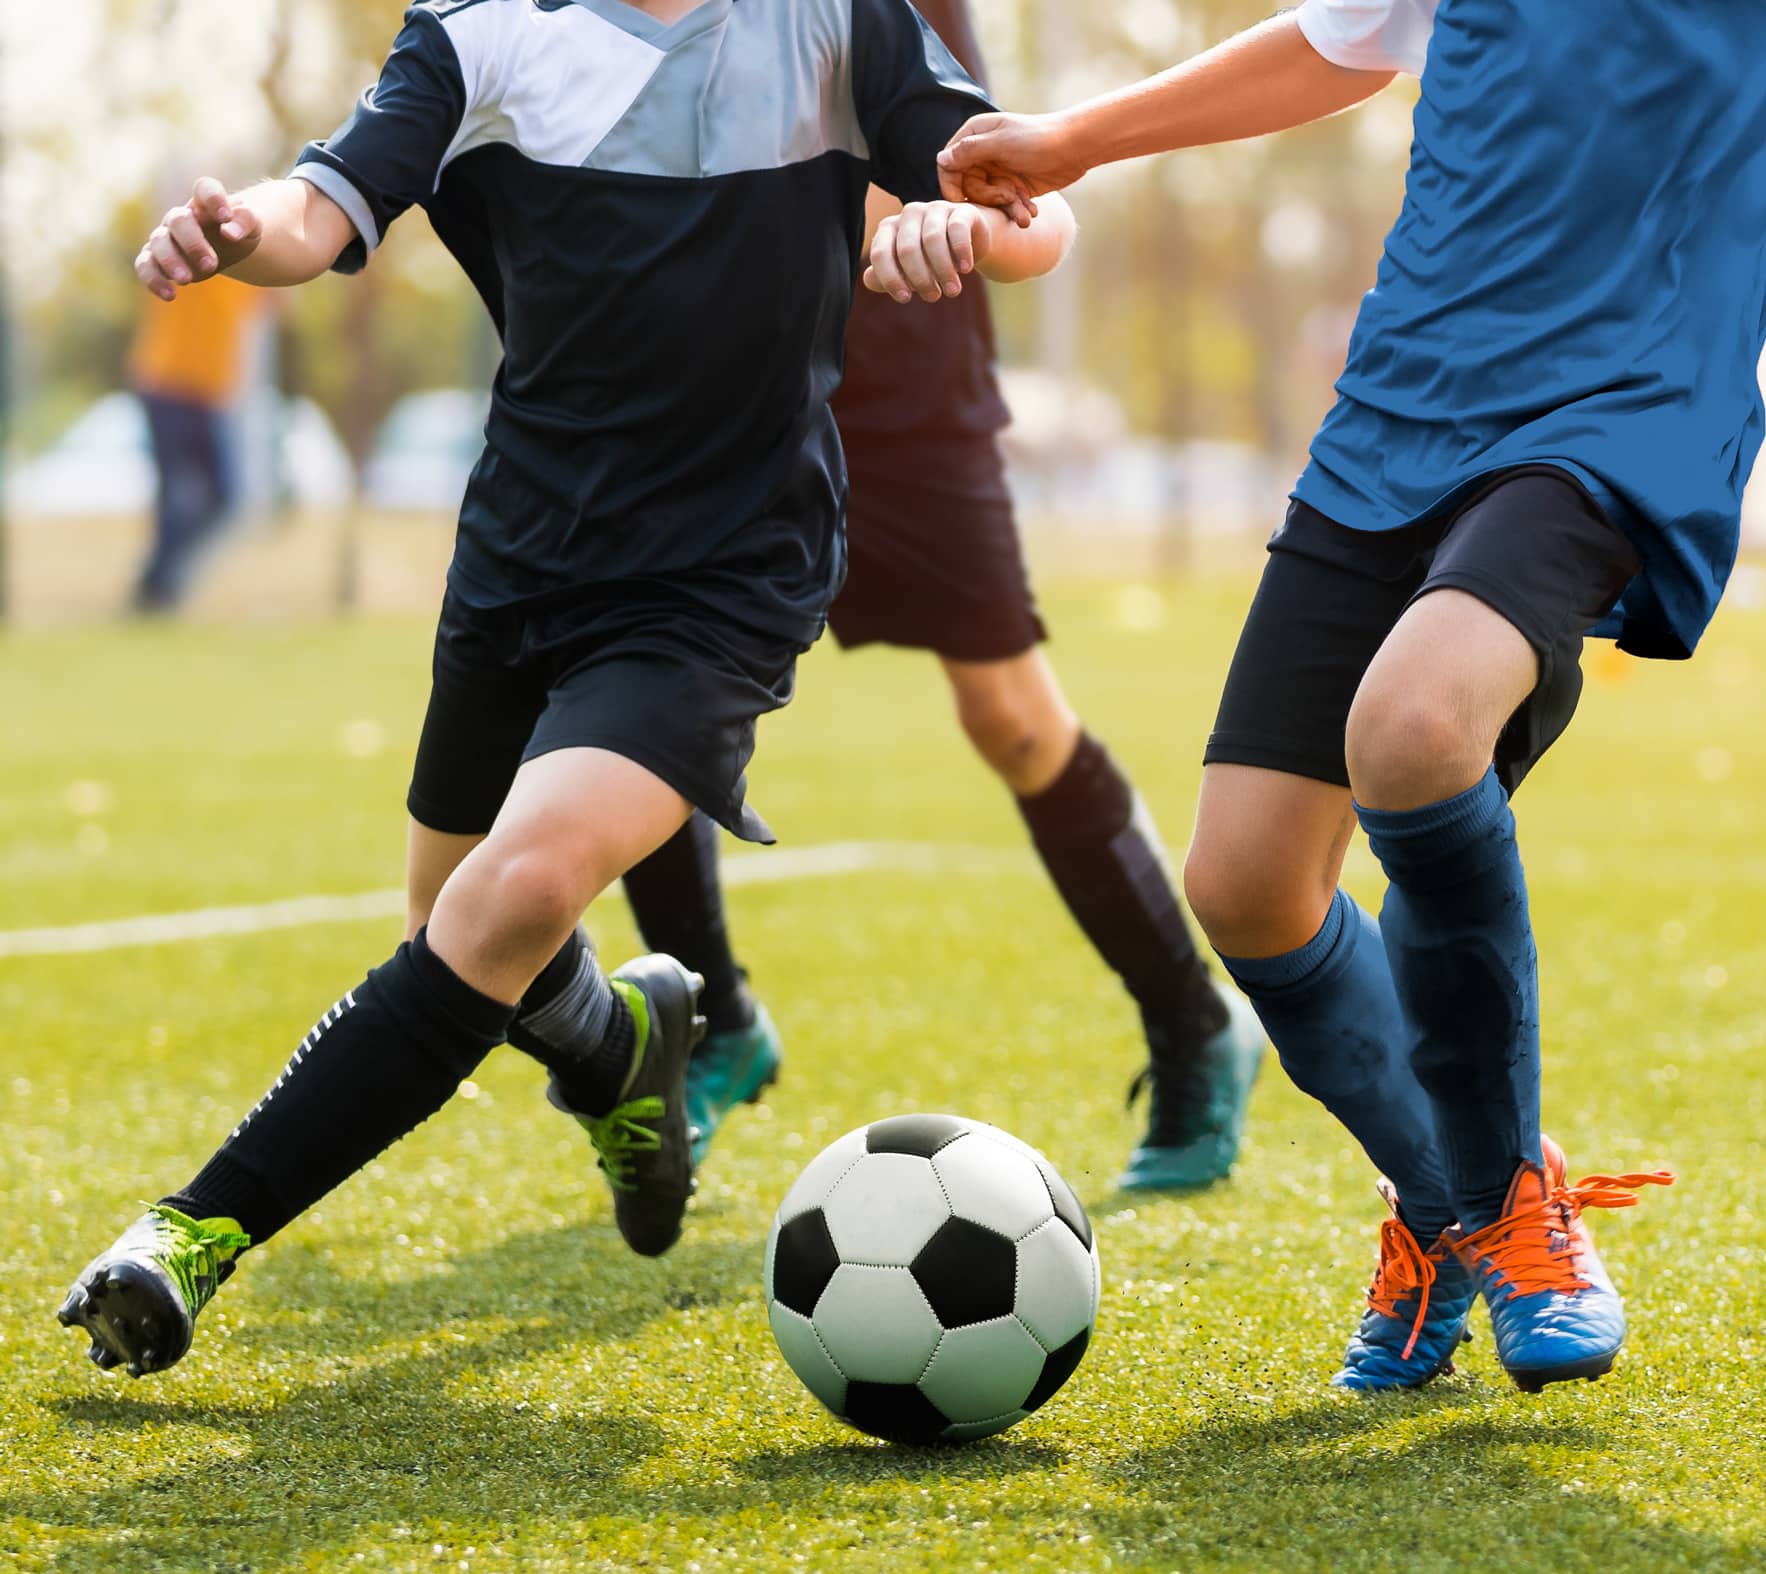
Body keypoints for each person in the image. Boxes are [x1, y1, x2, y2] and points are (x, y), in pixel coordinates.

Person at [59, 0, 1073, 1381]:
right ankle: (623, 1046)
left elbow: (1032, 210)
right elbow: (324, 204)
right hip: (522, 555)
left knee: (511, 896)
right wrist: (242, 234)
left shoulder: (836, 19)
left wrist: (959, 226)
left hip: (727, 571)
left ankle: (189, 1233)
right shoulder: (479, 30)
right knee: (457, 927)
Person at [936, 0, 1766, 1392]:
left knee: (1411, 729)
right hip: (1395, 419)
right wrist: (1074, 139)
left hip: (1612, 424)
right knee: (1246, 884)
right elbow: (1337, 42)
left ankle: (1516, 1213)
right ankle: (1452, 1200)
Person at [617, 1, 1266, 1196]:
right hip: (722, 376)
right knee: (647, 693)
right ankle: (716, 1020)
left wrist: (932, 208)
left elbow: (972, 152)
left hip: (908, 369)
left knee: (1012, 719)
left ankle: (1193, 1018)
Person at [126, 269, 268, 612]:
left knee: (217, 497)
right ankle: (157, 589)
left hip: (209, 393)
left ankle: (159, 587)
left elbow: (274, 303)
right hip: (170, 383)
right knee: (186, 494)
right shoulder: (202, 252)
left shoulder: (255, 264)